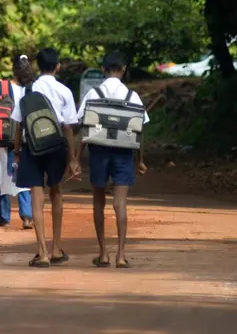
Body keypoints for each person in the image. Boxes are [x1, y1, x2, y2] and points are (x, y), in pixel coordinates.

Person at [76, 51, 149, 269]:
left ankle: (103, 253)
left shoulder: (93, 93)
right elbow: (139, 130)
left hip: (98, 151)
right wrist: (140, 159)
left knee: (99, 201)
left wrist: (77, 158)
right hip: (124, 153)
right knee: (120, 202)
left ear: (103, 69)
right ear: (124, 69)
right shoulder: (132, 96)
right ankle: (121, 255)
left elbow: (84, 126)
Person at [11, 48, 80, 268]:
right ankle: (56, 248)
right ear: (57, 66)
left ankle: (41, 253)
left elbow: (18, 123)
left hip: (31, 146)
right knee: (56, 192)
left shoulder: (28, 89)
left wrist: (16, 150)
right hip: (56, 146)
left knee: (36, 198)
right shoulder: (64, 91)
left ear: (39, 66)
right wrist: (72, 158)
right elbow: (68, 127)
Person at [0, 55, 33, 229]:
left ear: (14, 70)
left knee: (3, 176)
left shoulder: (2, 87)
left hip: (4, 138)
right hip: (25, 138)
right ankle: (27, 216)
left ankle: (4, 217)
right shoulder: (31, 89)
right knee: (23, 176)